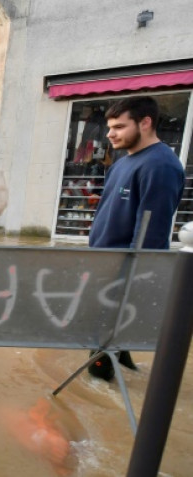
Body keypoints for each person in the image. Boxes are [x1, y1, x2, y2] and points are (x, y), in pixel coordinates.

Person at [87, 95, 185, 381]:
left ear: (145, 123)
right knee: (113, 341)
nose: (110, 134)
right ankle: (131, 377)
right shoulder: (122, 162)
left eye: (118, 126)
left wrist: (130, 282)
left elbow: (151, 233)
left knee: (98, 355)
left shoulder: (161, 166)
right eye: (109, 127)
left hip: (124, 275)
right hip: (105, 268)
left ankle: (96, 403)